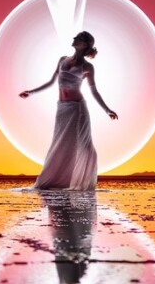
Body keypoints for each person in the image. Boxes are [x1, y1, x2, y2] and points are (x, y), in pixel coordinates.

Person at [19, 31, 118, 190]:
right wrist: (31, 92)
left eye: (78, 38)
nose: (74, 39)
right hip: (62, 109)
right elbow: (51, 82)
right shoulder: (62, 60)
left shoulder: (87, 67)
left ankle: (78, 180)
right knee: (60, 143)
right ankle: (58, 180)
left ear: (84, 44)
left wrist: (107, 110)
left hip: (77, 109)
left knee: (76, 144)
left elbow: (94, 91)